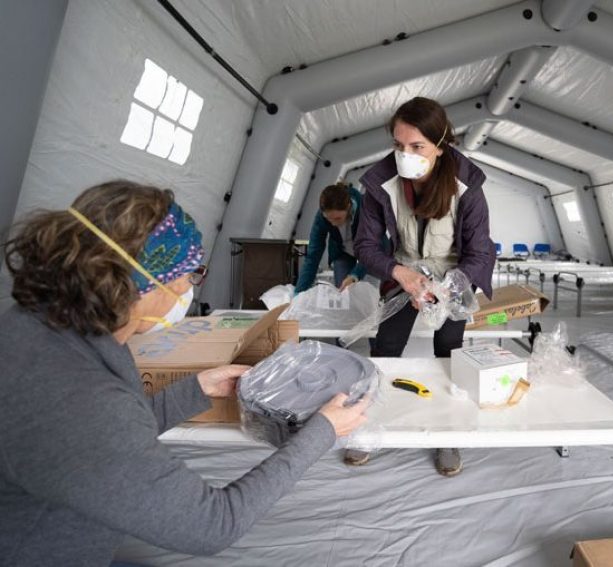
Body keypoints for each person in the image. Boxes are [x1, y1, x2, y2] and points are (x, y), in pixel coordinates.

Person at [0, 181, 369, 565]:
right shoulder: (80, 404)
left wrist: (196, 389)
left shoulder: (48, 324)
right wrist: (321, 432)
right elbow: (214, 525)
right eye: (190, 275)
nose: (190, 289)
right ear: (140, 284)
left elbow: (120, 430)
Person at [353, 97, 496, 476]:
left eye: (417, 147)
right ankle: (366, 427)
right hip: (403, 271)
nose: (405, 155)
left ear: (441, 142)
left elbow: (481, 253)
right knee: (385, 348)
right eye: (398, 146)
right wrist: (401, 274)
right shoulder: (379, 183)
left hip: (453, 275)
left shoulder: (468, 186)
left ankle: (447, 436)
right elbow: (365, 246)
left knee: (449, 353)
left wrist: (447, 289)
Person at [294, 181, 367, 294]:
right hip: (343, 253)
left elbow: (374, 248)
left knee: (375, 289)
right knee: (343, 292)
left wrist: (355, 275)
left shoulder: (367, 210)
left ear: (348, 207)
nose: (333, 223)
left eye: (337, 218)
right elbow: (313, 256)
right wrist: (298, 292)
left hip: (371, 251)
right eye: (329, 219)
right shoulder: (321, 218)